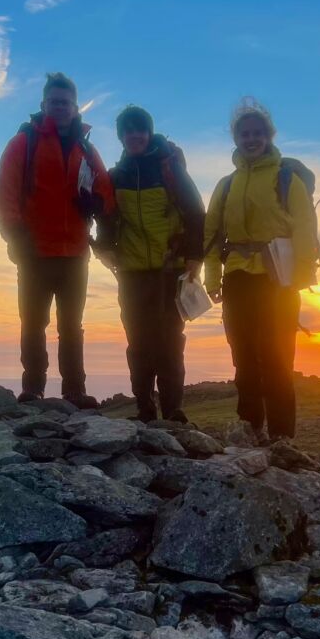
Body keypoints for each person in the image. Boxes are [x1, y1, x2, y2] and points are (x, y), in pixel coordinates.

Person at [0, 72, 114, 408]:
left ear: (75, 108)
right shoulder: (24, 142)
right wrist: (17, 236)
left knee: (72, 325)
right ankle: (33, 389)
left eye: (66, 103)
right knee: (33, 323)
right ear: (44, 105)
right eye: (54, 102)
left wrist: (96, 203)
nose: (59, 107)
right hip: (34, 251)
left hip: (74, 252)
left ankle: (74, 390)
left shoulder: (86, 148)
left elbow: (105, 190)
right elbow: (4, 193)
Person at [203, 98, 318, 442]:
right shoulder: (226, 185)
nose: (251, 139)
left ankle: (283, 439)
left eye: (257, 133)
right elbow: (210, 237)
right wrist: (212, 279)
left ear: (268, 136)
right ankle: (249, 431)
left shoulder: (286, 179)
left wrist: (297, 277)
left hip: (277, 280)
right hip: (237, 276)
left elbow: (305, 230)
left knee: (278, 359)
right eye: (244, 134)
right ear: (235, 138)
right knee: (243, 360)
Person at [106, 105, 205, 423]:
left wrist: (194, 257)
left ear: (148, 133)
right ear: (121, 136)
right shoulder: (115, 176)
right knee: (138, 341)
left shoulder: (170, 169)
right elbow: (107, 219)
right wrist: (104, 247)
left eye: (140, 129)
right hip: (132, 272)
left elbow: (195, 214)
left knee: (170, 340)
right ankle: (145, 407)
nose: (135, 135)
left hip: (170, 269)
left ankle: (173, 409)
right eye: (128, 130)